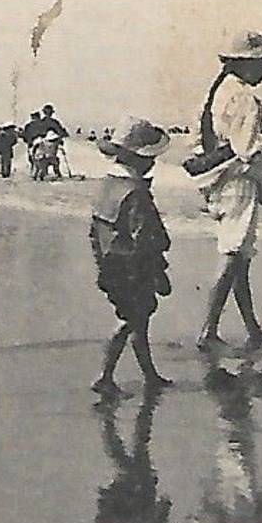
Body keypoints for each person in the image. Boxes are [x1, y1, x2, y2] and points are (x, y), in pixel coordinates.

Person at [190, 30, 262, 354]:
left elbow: (201, 141)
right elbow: (246, 148)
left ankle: (251, 327)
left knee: (240, 256)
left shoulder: (219, 90)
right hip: (237, 182)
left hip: (218, 181)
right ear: (246, 63)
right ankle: (207, 331)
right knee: (232, 255)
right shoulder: (243, 96)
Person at [90, 117, 175, 397]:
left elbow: (96, 229)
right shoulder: (136, 193)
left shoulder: (106, 185)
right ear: (137, 160)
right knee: (129, 321)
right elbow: (147, 238)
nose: (153, 163)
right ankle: (104, 376)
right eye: (149, 158)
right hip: (133, 267)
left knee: (138, 320)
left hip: (110, 263)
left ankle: (149, 374)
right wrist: (158, 271)